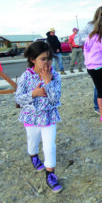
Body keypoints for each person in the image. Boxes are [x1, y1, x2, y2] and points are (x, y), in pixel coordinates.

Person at [15, 41, 63, 193]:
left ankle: (50, 174)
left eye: (49, 58)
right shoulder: (25, 77)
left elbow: (55, 100)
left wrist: (48, 83)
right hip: (31, 118)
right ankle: (33, 156)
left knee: (49, 146)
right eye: (43, 59)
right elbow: (18, 99)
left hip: (49, 117)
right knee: (33, 140)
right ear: (32, 59)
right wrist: (33, 94)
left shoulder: (55, 76)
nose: (47, 62)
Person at [75, 6, 102, 114]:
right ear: (99, 16)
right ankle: (97, 106)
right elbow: (78, 39)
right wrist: (92, 38)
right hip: (95, 62)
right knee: (99, 84)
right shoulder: (89, 26)